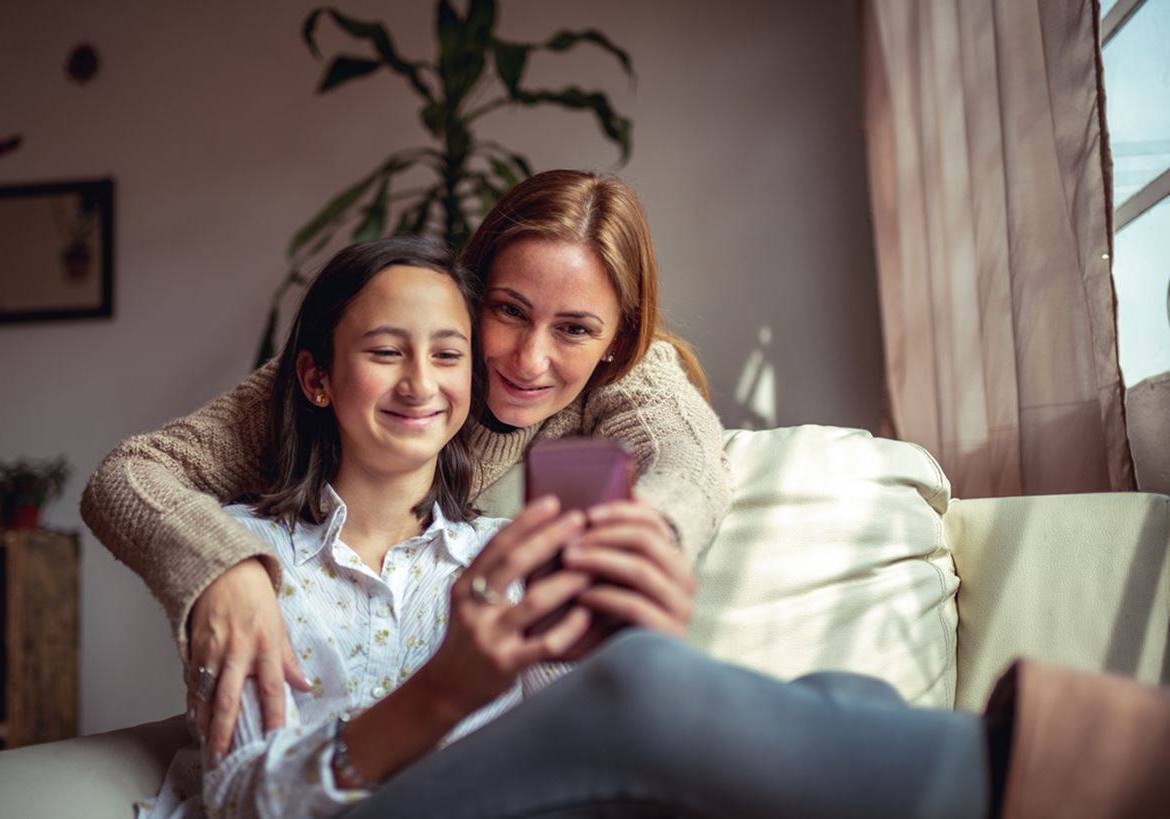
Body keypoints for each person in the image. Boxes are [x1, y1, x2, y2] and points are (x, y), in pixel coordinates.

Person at [135, 235, 992, 819]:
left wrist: (619, 627)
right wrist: (444, 692)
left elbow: (581, 723)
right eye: (385, 351)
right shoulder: (244, 564)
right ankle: (1040, 764)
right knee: (650, 686)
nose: (419, 382)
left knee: (851, 697)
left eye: (446, 353)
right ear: (317, 379)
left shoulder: (494, 557)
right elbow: (243, 798)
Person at [81, 170, 731, 757]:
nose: (529, 360)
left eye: (574, 329)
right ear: (467, 296)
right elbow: (131, 474)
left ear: (615, 338)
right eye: (507, 310)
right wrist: (224, 566)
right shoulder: (364, 367)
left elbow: (689, 465)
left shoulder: (624, 374)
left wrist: (638, 548)